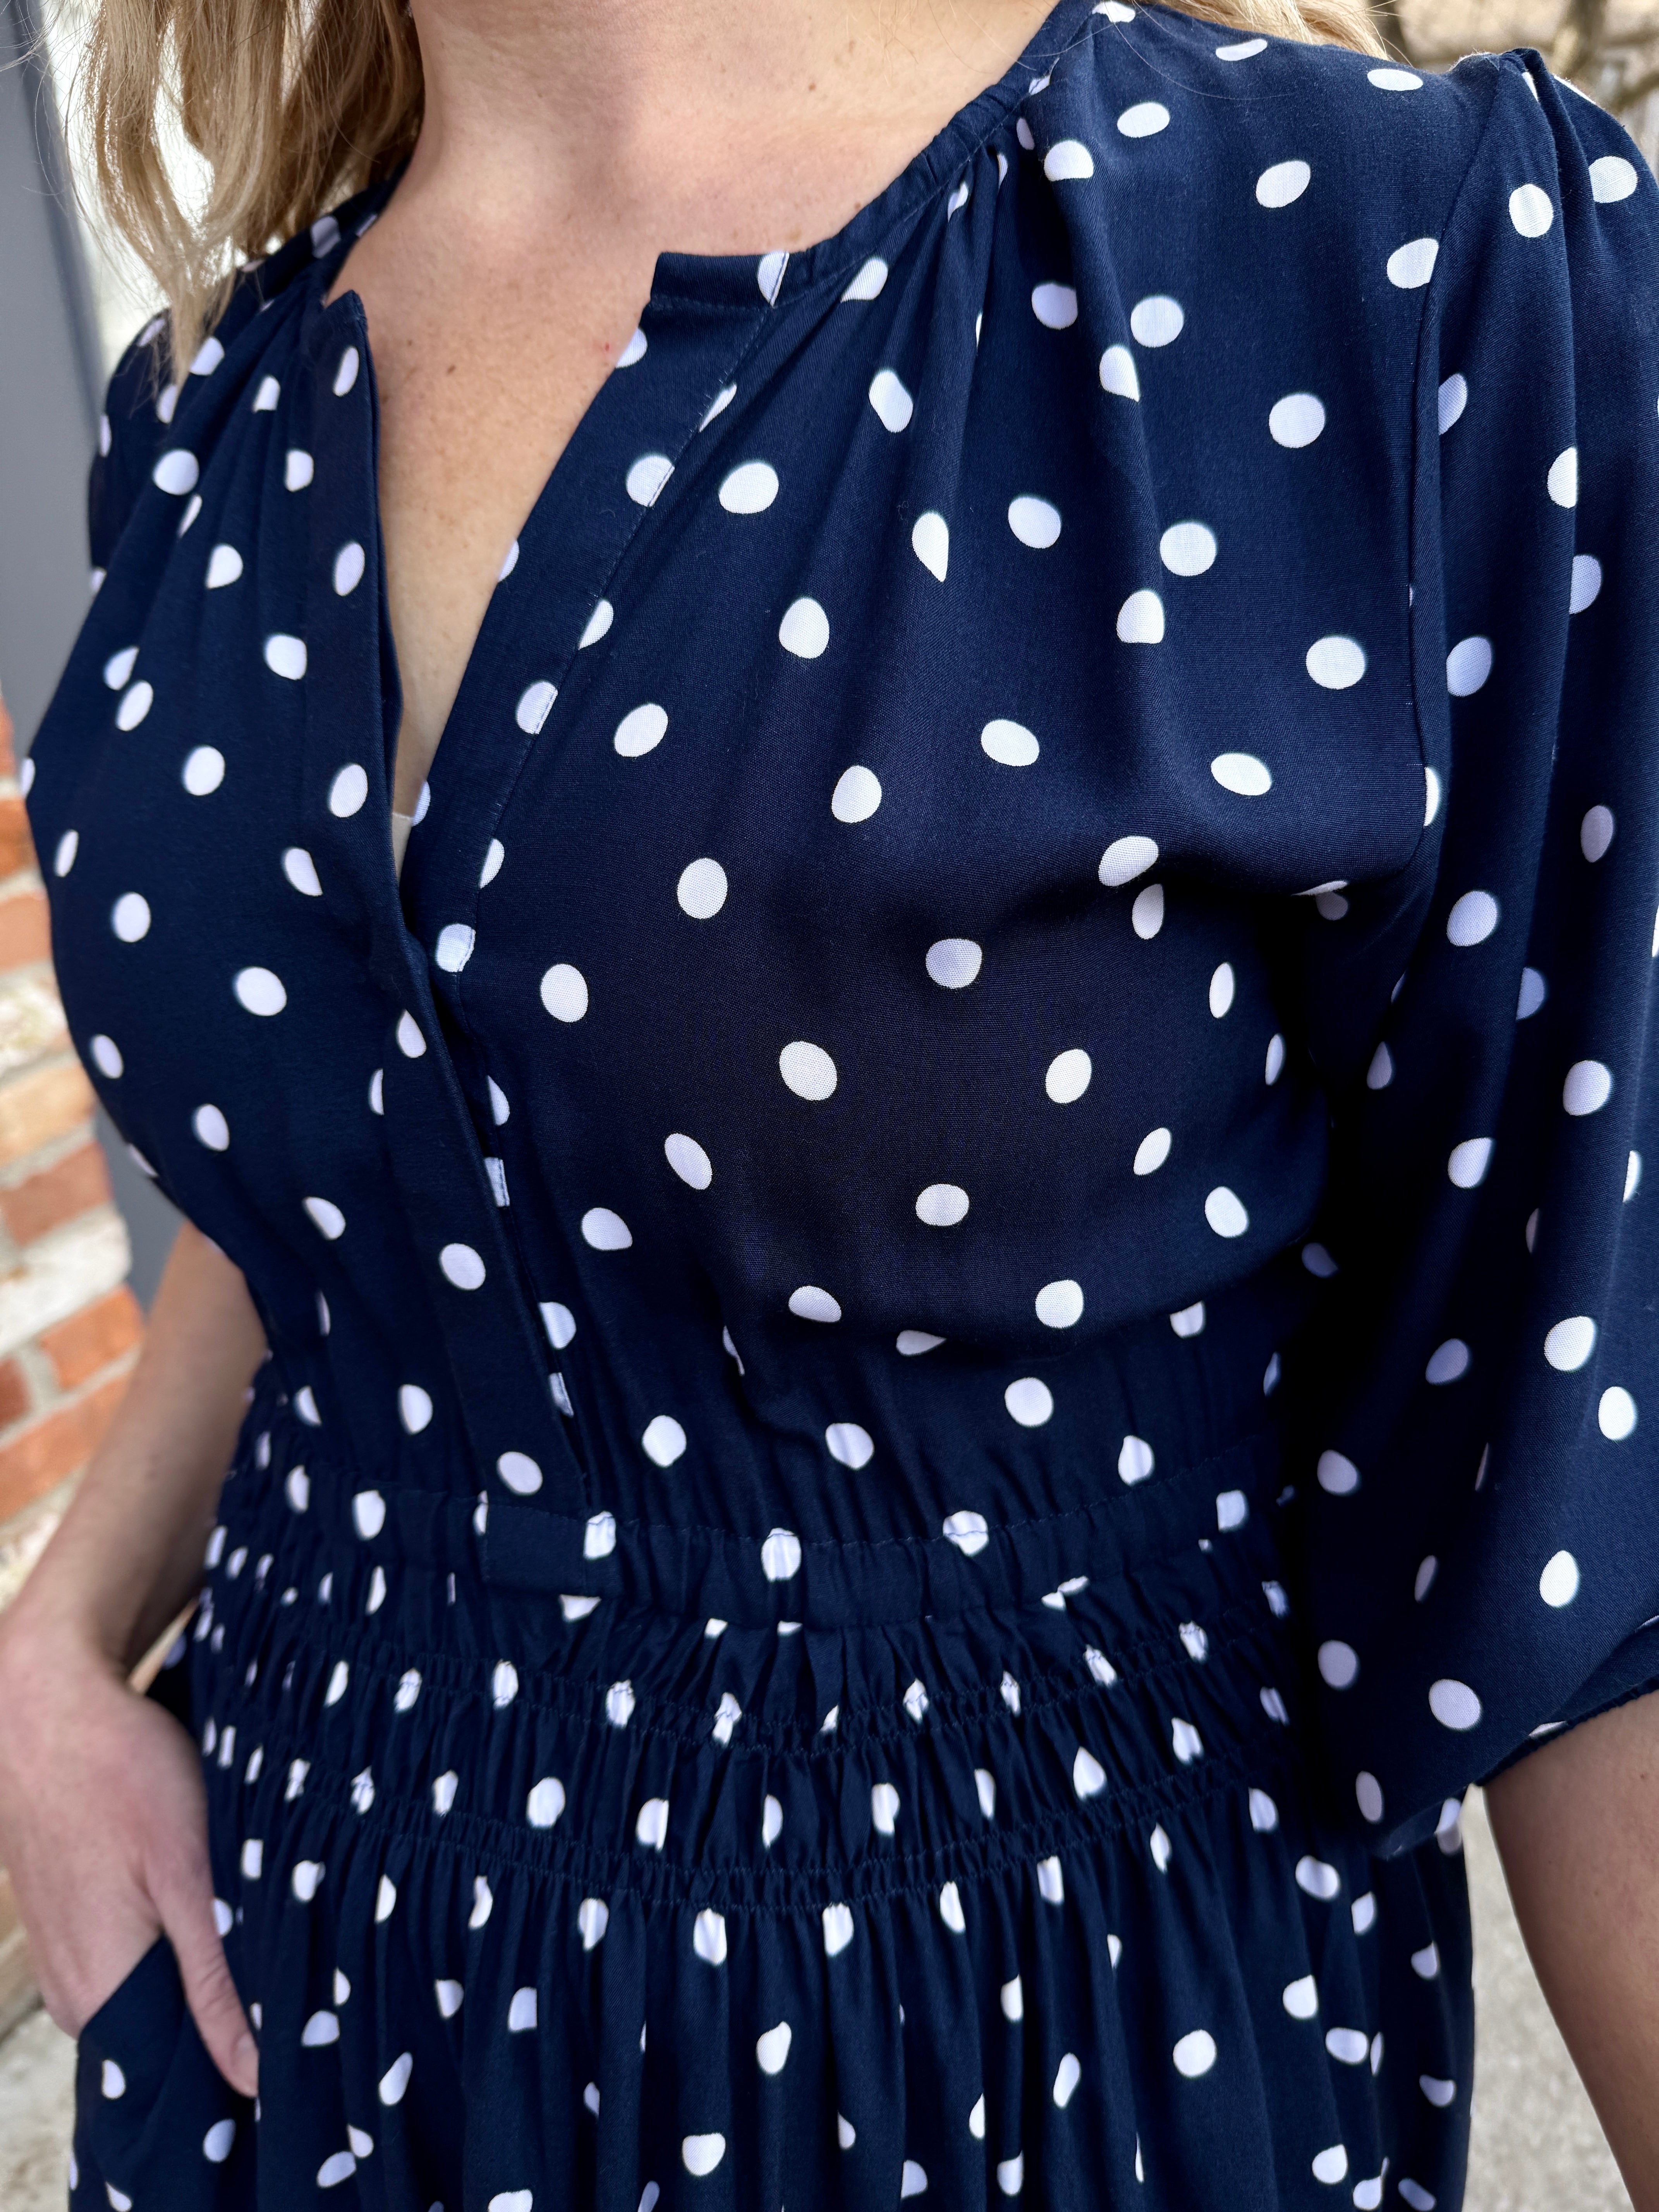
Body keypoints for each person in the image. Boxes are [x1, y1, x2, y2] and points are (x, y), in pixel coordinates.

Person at [3, 0, 1659, 2201]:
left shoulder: (1379, 265)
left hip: (1016, 2037)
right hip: (303, 1970)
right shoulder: (211, 394)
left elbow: (1584, 1443)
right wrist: (56, 1640)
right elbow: (385, 1136)